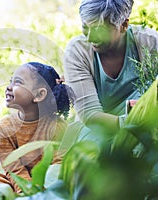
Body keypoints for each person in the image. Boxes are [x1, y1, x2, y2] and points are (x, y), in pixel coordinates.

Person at [0, 62, 73, 193]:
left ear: (39, 95)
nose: (8, 87)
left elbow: (58, 169)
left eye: (17, 82)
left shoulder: (58, 126)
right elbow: (14, 169)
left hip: (49, 188)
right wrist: (26, 193)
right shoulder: (4, 127)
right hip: (21, 187)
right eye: (10, 81)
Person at [63, 0, 158, 142]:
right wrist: (135, 125)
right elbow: (90, 115)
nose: (90, 38)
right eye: (85, 28)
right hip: (98, 132)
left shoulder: (150, 43)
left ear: (124, 25)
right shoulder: (77, 52)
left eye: (99, 30)